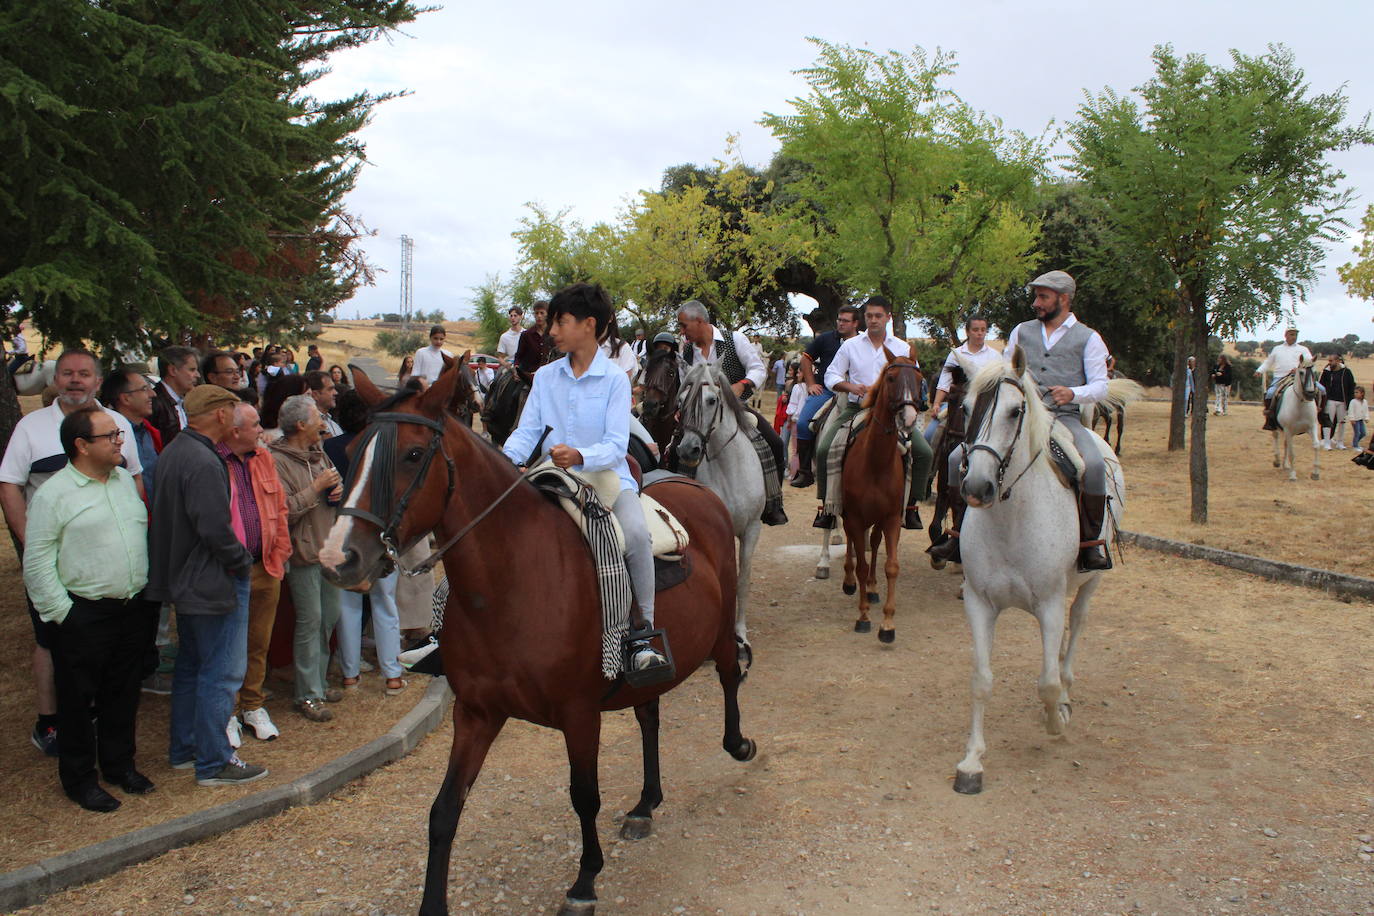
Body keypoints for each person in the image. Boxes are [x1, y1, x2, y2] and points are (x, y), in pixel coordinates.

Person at [502, 283, 670, 680]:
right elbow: (528, 432)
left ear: (589, 324)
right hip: (553, 476)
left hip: (605, 478)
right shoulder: (545, 377)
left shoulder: (614, 380)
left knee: (636, 534)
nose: (552, 331)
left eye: (561, 321)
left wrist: (581, 456)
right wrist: (506, 463)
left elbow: (615, 444)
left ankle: (642, 637)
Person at [0, 349, 145, 757]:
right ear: (55, 379)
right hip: (54, 557)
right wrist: (30, 538)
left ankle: (98, 717)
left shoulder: (116, 425)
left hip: (105, 558)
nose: (75, 381)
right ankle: (50, 722)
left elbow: (133, 478)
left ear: (98, 382)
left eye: (84, 374)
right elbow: (9, 483)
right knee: (51, 639)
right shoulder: (31, 426)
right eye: (66, 374)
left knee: (109, 649)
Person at [22, 406, 159, 811]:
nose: (121, 440)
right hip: (83, 615)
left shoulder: (121, 482)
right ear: (81, 445)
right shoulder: (54, 495)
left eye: (119, 433)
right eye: (111, 436)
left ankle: (119, 766)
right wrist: (64, 614)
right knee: (78, 703)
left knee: (123, 693)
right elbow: (38, 562)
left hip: (131, 609)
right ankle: (80, 779)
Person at [147, 384, 266, 786]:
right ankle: (213, 762)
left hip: (186, 579)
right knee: (221, 673)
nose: (237, 416)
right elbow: (214, 527)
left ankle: (185, 750)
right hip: (213, 581)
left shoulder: (176, 451)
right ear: (219, 414)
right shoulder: (202, 459)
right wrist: (240, 562)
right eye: (233, 408)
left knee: (191, 668)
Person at [1008, 271, 1112, 570]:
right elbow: (1006, 370)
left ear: (1063, 299)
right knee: (958, 457)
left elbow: (1101, 386)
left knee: (1092, 465)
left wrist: (1073, 393)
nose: (1035, 303)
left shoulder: (1089, 338)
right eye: (1036, 296)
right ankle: (960, 534)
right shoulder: (1021, 331)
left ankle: (1091, 545)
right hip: (1022, 417)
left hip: (1064, 419)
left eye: (1043, 297)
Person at [813, 296, 929, 531]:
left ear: (888, 317)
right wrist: (850, 387)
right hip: (857, 408)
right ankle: (828, 507)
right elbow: (831, 375)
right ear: (864, 318)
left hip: (894, 413)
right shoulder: (850, 345)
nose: (873, 320)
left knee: (925, 452)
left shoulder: (902, 348)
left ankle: (911, 507)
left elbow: (915, 381)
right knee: (825, 448)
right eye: (869, 316)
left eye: (878, 316)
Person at [218, 402, 292, 744]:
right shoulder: (215, 462)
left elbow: (279, 506)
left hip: (266, 565)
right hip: (231, 571)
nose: (262, 431)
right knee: (228, 645)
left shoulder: (264, 458)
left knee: (258, 642)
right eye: (256, 425)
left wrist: (280, 551)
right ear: (235, 431)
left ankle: (252, 705)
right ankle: (227, 712)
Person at [676, 299, 787, 526]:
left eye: (684, 325)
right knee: (676, 448)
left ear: (699, 321)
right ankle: (678, 504)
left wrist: (742, 385)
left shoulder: (734, 339)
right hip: (700, 414)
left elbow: (757, 368)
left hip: (735, 409)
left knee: (774, 443)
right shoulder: (686, 351)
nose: (682, 331)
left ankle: (772, 502)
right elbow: (684, 383)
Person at [325, 391, 407, 695]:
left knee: (348, 604)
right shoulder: (382, 446)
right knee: (385, 603)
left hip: (343, 530)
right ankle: (392, 674)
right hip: (379, 531)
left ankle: (350, 674)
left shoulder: (330, 447)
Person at [270, 394, 345, 723]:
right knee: (309, 622)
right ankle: (308, 694)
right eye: (317, 418)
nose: (322, 423)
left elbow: (332, 485)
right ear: (300, 425)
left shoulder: (320, 453)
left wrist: (336, 489)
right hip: (302, 554)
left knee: (328, 619)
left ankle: (319, 680)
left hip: (329, 549)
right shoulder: (276, 460)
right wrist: (316, 488)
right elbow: (282, 511)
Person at [791, 306, 860, 489]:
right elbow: (806, 359)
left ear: (855, 323)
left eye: (845, 320)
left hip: (857, 394)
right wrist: (811, 383)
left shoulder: (863, 342)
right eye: (839, 319)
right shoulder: (825, 339)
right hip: (827, 391)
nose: (840, 323)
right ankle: (805, 471)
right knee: (803, 423)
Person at [99, 367, 162, 503]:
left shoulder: (149, 432)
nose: (153, 394)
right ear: (126, 398)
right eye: (144, 389)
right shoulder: (109, 438)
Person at [1256, 328, 1315, 431]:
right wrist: (1260, 370)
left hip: (1299, 377)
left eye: (1296, 335)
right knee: (1270, 393)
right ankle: (1270, 419)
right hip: (1280, 377)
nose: (1294, 337)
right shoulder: (1277, 349)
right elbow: (1268, 362)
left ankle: (1320, 415)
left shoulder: (1303, 349)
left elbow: (1310, 363)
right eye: (1292, 334)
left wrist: (1298, 370)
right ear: (1286, 335)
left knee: (1320, 389)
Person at [150, 346, 201, 446]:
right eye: (192, 370)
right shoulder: (155, 404)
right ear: (173, 370)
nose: (197, 375)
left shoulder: (183, 401)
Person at [1318, 353, 1356, 450]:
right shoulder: (1326, 372)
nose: (1329, 363)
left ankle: (1340, 443)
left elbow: (1351, 387)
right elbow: (1321, 386)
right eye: (1329, 361)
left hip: (1343, 401)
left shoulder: (1346, 372)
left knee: (1342, 422)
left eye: (1331, 361)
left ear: (1338, 361)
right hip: (1330, 400)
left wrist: (1350, 402)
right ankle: (1327, 443)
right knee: (1328, 421)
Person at [514, 302, 552, 383]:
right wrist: (516, 370)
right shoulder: (526, 335)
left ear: (547, 315)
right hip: (529, 376)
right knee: (515, 394)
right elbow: (518, 356)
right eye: (536, 313)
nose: (539, 316)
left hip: (550, 376)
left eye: (542, 313)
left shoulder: (553, 334)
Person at [304, 369, 342, 436]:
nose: (336, 393)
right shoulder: (307, 426)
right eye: (330, 389)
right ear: (315, 394)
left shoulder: (334, 424)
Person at [497, 306, 524, 370]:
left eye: (515, 315)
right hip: (510, 366)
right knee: (498, 377)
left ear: (521, 317)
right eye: (511, 316)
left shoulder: (526, 334)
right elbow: (500, 357)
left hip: (524, 365)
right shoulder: (504, 336)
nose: (513, 318)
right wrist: (506, 364)